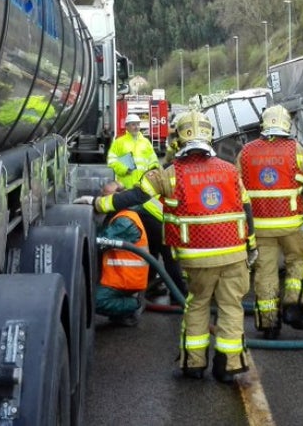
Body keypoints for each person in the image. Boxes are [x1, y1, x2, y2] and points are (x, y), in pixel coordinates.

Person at [93, 111, 256, 384]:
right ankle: (228, 366)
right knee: (230, 307)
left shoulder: (168, 175)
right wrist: (251, 246)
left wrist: (100, 205)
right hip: (233, 255)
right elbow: (247, 209)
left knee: (197, 304)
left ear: (178, 140)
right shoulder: (230, 171)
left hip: (196, 259)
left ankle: (193, 364)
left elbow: (133, 196)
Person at [236, 104, 303, 339]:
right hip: (291, 223)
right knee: (297, 261)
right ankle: (293, 306)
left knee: (265, 272)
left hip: (260, 226)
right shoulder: (296, 149)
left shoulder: (246, 152)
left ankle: (269, 324)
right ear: (286, 124)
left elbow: (236, 189)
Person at [94, 181, 151, 327]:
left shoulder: (125, 221)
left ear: (118, 199)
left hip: (127, 278)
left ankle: (134, 304)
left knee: (94, 301)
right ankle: (122, 312)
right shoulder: (122, 215)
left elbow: (99, 241)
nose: (102, 201)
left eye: (106, 197)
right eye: (102, 196)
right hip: (120, 276)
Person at [108, 113, 161, 189]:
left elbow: (153, 160)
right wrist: (124, 170)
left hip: (143, 186)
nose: (136, 127)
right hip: (125, 186)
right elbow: (111, 161)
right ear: (126, 126)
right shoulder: (118, 142)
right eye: (133, 125)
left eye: (138, 124)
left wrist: (152, 171)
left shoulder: (146, 142)